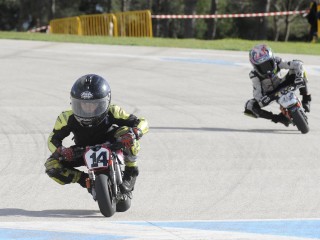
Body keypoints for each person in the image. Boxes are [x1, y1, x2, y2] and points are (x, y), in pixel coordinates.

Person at [44, 74, 149, 194]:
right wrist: (61, 150)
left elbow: (141, 121)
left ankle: (131, 170)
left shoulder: (113, 111)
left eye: (93, 104)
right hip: (83, 150)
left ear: (104, 103)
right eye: (83, 104)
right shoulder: (66, 117)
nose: (88, 108)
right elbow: (53, 139)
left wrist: (136, 132)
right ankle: (85, 180)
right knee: (51, 165)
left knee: (127, 132)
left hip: (112, 143)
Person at [244, 44, 311, 126]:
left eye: (268, 63)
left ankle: (306, 100)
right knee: (249, 106)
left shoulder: (277, 61)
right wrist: (261, 99)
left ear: (272, 59)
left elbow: (297, 64)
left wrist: (299, 77)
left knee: (300, 71)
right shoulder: (254, 74)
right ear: (255, 67)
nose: (267, 69)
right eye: (262, 66)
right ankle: (278, 118)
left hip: (282, 84)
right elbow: (257, 92)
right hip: (270, 94)